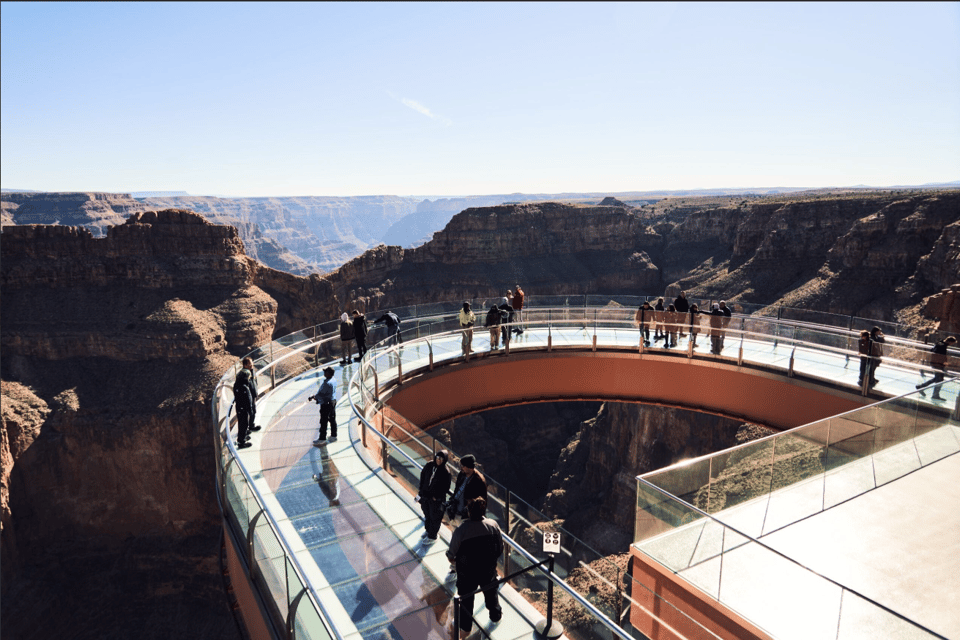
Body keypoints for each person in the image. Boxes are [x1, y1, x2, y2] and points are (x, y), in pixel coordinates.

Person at [446, 497, 503, 637]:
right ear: (484, 511)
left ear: (469, 511)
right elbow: (500, 549)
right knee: (491, 594)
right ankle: (495, 617)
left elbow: (451, 554)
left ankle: (465, 628)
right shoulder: (493, 525)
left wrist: (456, 563)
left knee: (466, 600)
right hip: (487, 570)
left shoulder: (461, 530)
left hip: (467, 574)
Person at [418, 450, 452, 543]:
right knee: (427, 514)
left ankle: (433, 537)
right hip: (425, 497)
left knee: (435, 517)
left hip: (436, 500)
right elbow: (422, 476)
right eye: (438, 457)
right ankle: (428, 531)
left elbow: (446, 488)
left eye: (442, 458)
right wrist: (421, 491)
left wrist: (436, 497)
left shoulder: (446, 472)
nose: (439, 460)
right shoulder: (429, 465)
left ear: (445, 460)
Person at [446, 454, 487, 522]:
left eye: (462, 466)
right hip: (456, 511)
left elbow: (482, 500)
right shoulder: (461, 474)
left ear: (469, 467)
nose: (460, 468)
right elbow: (457, 489)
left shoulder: (479, 480)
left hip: (467, 516)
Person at [232, 357, 260, 449]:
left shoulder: (249, 373)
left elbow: (254, 383)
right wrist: (248, 406)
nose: (251, 366)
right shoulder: (243, 384)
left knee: (246, 419)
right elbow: (245, 395)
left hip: (248, 400)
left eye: (252, 364)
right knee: (243, 422)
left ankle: (245, 434)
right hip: (243, 405)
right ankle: (241, 442)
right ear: (244, 365)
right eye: (249, 365)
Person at [310, 366, 337, 445]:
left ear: (328, 374)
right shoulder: (333, 380)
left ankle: (322, 439)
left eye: (325, 371)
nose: (324, 373)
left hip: (326, 404)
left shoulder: (327, 383)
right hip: (333, 401)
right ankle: (333, 435)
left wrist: (314, 397)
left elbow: (321, 394)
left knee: (323, 421)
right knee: (332, 419)